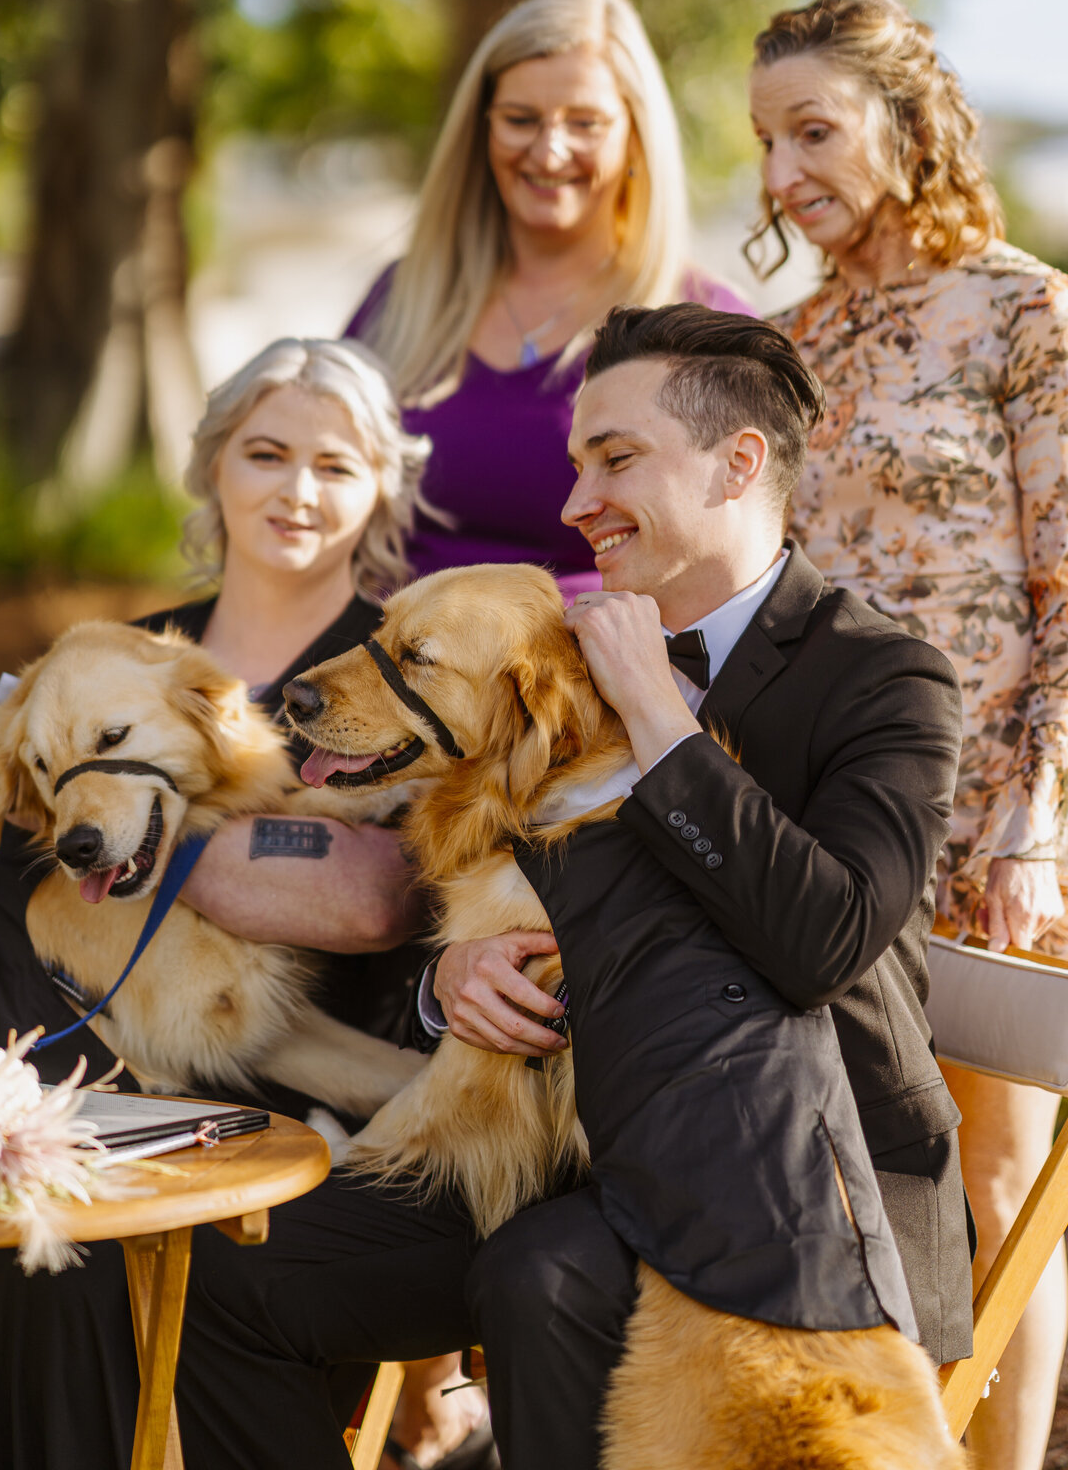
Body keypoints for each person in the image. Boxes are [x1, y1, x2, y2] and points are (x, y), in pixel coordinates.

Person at [163, 303, 972, 1470]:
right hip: (554, 1146)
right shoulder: (539, 643)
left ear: (739, 463)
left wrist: (656, 715)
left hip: (804, 1187)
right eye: (578, 460)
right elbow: (477, 883)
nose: (573, 501)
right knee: (229, 1273)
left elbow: (827, 940)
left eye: (617, 459)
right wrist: (450, 982)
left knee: (541, 1277)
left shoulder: (884, 677)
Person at [0, 338, 486, 1470]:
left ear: (383, 488)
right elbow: (5, 836)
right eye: (265, 453)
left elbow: (368, 899)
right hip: (38, 1025)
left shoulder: (391, 664)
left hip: (257, 1076)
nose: (297, 490)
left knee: (63, 1249)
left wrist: (123, 830)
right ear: (214, 471)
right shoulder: (136, 643)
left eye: (336, 465)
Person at [751, 0, 1068, 1470]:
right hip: (827, 827)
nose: (779, 175)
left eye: (812, 130)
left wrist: (1037, 822)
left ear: (905, 124)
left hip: (999, 813)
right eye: (763, 141)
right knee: (862, 1170)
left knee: (999, 1174)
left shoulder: (1025, 308)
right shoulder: (782, 349)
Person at [346, 0, 755, 596]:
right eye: (520, 119)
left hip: (585, 680)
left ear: (634, 139)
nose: (549, 149)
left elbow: (736, 564)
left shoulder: (704, 324)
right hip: (385, 663)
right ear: (481, 131)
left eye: (585, 122)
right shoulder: (401, 297)